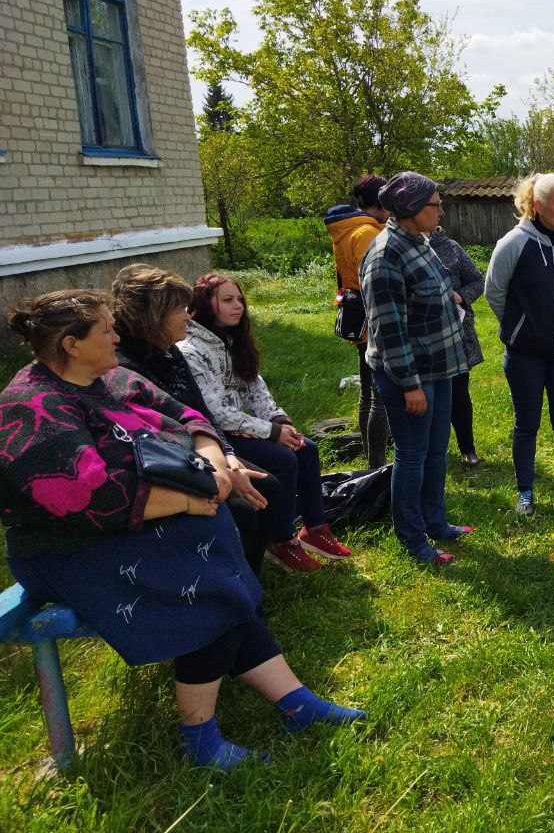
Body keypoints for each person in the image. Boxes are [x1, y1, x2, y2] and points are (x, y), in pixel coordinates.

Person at [1, 290, 363, 770]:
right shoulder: (31, 407)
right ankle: (199, 737)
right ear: (71, 344)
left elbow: (189, 417)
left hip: (132, 526)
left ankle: (296, 703)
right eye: (106, 329)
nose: (116, 337)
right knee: (212, 579)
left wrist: (216, 465)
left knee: (221, 549)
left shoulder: (111, 377)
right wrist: (197, 497)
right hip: (67, 549)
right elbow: (92, 500)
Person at [110, 264, 281, 577]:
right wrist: (221, 472)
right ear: (154, 315)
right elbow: (162, 441)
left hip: (204, 450)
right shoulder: (125, 367)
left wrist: (229, 456)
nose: (189, 316)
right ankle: (227, 583)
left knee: (267, 486)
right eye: (179, 309)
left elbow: (201, 412)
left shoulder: (167, 351)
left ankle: (248, 577)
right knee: (243, 508)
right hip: (169, 463)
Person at [180, 274, 351, 573]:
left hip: (242, 428)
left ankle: (315, 528)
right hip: (215, 438)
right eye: (227, 300)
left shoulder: (232, 339)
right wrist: (272, 433)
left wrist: (279, 420)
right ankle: (281, 539)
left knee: (306, 448)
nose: (238, 306)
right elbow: (216, 412)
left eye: (240, 299)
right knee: (283, 458)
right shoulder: (191, 350)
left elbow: (255, 387)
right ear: (205, 305)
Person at [362, 172, 474, 564]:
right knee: (412, 455)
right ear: (411, 208)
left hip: (440, 369)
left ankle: (436, 522)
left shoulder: (420, 242)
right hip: (409, 376)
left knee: (436, 451)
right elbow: (389, 331)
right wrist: (410, 385)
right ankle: (413, 539)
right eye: (435, 205)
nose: (441, 212)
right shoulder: (385, 255)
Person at [484, 173, 554, 523]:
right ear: (537, 205)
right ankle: (525, 492)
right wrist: (522, 327)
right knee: (527, 423)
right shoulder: (513, 244)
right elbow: (495, 292)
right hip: (525, 355)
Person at [324, 173, 390, 465]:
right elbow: (376, 280)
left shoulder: (348, 228)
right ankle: (376, 465)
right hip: (373, 319)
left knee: (367, 392)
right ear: (380, 201)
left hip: (358, 315)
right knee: (379, 397)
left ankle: (370, 457)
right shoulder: (366, 233)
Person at [428, 225, 486, 466]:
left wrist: (461, 296)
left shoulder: (451, 248)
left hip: (456, 333)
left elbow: (478, 280)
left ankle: (467, 448)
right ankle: (432, 450)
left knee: (459, 394)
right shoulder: (403, 249)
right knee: (428, 397)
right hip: (424, 338)